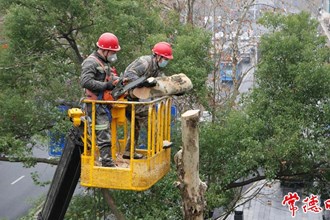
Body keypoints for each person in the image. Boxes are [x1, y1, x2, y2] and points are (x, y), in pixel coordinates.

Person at [122, 42, 173, 159]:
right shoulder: (145, 62)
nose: (166, 61)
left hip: (134, 96)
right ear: (158, 56)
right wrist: (141, 82)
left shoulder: (156, 68)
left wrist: (174, 90)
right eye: (165, 59)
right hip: (125, 93)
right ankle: (158, 143)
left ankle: (128, 152)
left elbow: (160, 83)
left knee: (136, 125)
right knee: (148, 114)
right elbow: (129, 74)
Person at [80, 32, 121, 167]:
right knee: (102, 131)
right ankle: (106, 162)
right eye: (112, 52)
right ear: (105, 50)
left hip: (103, 103)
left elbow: (108, 78)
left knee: (105, 130)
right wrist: (106, 86)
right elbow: (85, 81)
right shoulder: (91, 62)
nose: (114, 55)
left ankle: (107, 159)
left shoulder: (104, 63)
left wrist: (118, 80)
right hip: (94, 104)